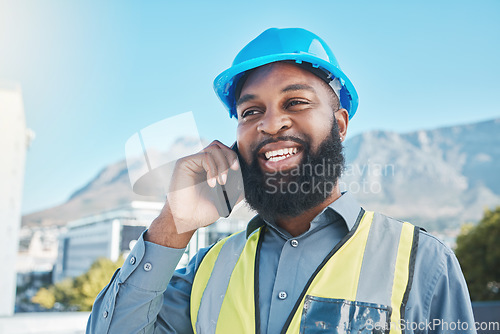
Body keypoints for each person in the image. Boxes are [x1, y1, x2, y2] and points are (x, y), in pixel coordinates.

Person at [87, 28, 476, 334]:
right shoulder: (208, 271)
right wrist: (174, 223)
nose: (271, 123)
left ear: (339, 125)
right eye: (251, 110)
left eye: (296, 102)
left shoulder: (422, 263)